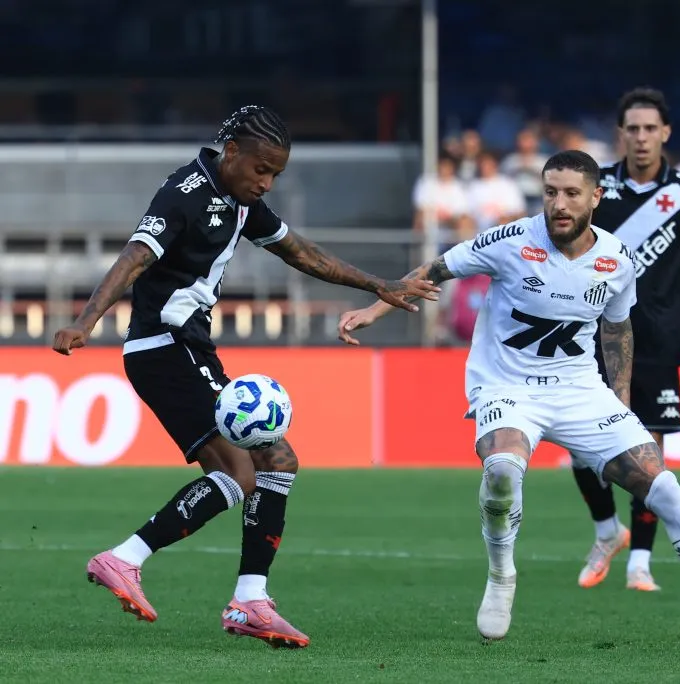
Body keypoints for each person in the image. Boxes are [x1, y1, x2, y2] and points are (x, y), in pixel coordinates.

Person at [337, 150, 680, 641]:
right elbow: (435, 270)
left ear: (596, 197)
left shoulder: (617, 259)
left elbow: (617, 330)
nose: (559, 204)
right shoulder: (510, 240)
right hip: (507, 385)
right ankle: (501, 575)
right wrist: (373, 310)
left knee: (665, 488)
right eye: (550, 192)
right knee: (502, 470)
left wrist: (620, 402)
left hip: (580, 389)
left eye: (572, 194)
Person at [51, 105, 439, 648]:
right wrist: (85, 322)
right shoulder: (185, 193)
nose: (267, 182)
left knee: (273, 464)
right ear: (231, 152)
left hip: (188, 350)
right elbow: (135, 257)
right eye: (261, 169)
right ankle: (130, 560)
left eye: (275, 173)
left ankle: (247, 599)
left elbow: (301, 252)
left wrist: (378, 284)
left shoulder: (240, 201)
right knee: (248, 471)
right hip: (164, 348)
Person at [571, 87, 680, 592]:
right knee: (580, 449)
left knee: (648, 454)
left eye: (650, 128)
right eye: (632, 128)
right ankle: (605, 531)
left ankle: (640, 561)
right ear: (621, 133)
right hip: (595, 335)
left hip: (659, 339)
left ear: (666, 133)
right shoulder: (595, 188)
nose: (641, 137)